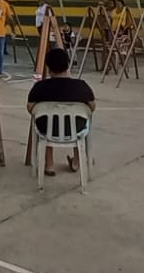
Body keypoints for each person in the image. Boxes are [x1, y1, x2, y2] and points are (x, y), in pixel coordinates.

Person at [27, 46, 94, 176]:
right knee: (78, 120)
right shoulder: (81, 86)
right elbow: (92, 107)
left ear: (48, 68)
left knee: (47, 122)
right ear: (68, 65)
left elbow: (30, 108)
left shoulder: (40, 87)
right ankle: (76, 161)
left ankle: (49, 164)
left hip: (47, 130)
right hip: (76, 129)